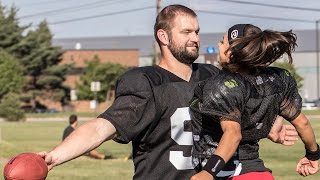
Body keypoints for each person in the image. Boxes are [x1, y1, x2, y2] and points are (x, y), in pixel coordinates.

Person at [38, 5, 298, 179]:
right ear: (163, 36)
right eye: (186, 32)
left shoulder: (214, 77)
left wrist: (269, 124)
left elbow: (242, 114)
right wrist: (53, 157)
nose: (195, 38)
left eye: (196, 31)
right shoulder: (145, 81)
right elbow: (101, 127)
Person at [189, 24, 320, 180]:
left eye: (222, 41)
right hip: (259, 174)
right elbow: (302, 122)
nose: (218, 45)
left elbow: (233, 134)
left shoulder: (222, 84)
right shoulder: (276, 79)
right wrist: (313, 155)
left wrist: (208, 172)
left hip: (230, 174)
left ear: (231, 52)